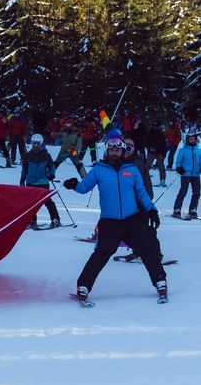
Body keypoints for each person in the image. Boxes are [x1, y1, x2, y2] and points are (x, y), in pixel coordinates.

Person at [62, 133, 167, 304]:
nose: (115, 152)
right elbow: (84, 187)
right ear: (107, 150)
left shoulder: (131, 169)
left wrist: (152, 210)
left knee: (147, 250)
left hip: (132, 221)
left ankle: (160, 282)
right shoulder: (99, 169)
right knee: (101, 254)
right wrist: (74, 185)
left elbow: (141, 192)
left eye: (118, 149)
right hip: (110, 223)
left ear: (122, 150)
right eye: (112, 149)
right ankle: (84, 287)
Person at [21, 134, 61, 228]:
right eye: (33, 143)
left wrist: (52, 174)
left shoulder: (46, 155)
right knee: (30, 203)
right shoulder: (28, 155)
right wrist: (22, 178)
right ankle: (32, 220)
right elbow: (24, 168)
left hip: (43, 182)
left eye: (37, 144)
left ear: (41, 144)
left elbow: (52, 166)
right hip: (30, 182)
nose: (35, 146)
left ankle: (55, 219)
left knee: (47, 201)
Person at [172, 132, 201, 219]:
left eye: (193, 139)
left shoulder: (199, 151)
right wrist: (179, 168)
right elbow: (178, 162)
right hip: (185, 174)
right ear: (187, 140)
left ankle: (192, 210)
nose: (192, 140)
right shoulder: (183, 150)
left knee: (196, 193)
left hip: (196, 175)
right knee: (183, 192)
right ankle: (177, 209)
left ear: (196, 140)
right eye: (190, 139)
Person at [146, 120, 167, 187]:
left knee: (161, 167)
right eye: (154, 126)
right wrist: (149, 148)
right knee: (147, 166)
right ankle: (143, 179)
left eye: (157, 126)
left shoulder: (161, 133)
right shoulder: (149, 132)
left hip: (159, 152)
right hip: (151, 152)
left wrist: (164, 153)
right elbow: (146, 142)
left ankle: (162, 180)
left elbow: (164, 144)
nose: (155, 127)